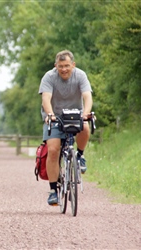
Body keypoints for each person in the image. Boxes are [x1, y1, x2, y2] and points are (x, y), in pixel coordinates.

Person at [38, 50, 93, 206]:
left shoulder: (80, 75)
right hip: (55, 116)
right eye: (60, 66)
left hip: (76, 115)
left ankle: (80, 155)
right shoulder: (49, 77)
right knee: (54, 150)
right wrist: (50, 114)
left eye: (67, 66)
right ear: (56, 66)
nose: (64, 69)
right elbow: (46, 98)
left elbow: (87, 96)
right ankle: (53, 191)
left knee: (85, 127)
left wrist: (86, 114)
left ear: (73, 65)